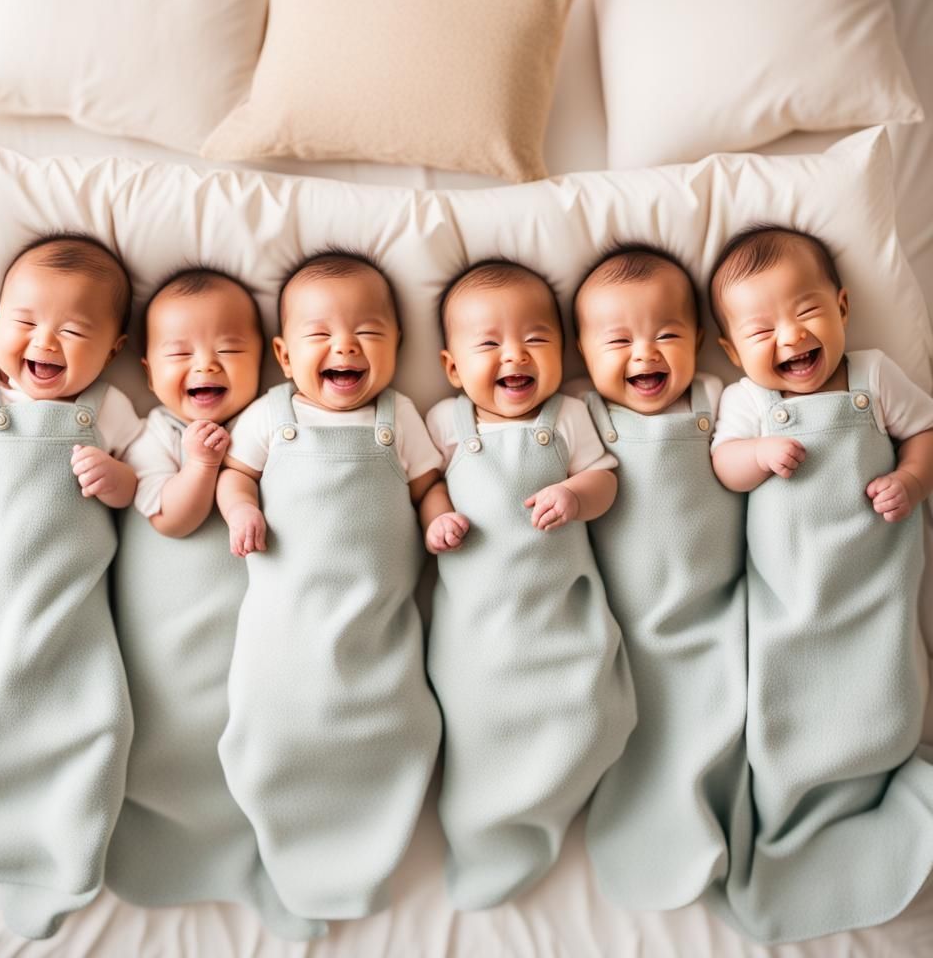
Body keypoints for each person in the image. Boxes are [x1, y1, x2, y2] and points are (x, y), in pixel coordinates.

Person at [0, 233, 139, 939]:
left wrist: (121, 482)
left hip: (70, 627)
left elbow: (150, 485)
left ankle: (71, 852)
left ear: (113, 347)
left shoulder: (110, 413)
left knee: (100, 724)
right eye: (25, 323)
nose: (45, 342)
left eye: (73, 331)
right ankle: (6, 851)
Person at [708, 224, 933, 942]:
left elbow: (926, 433)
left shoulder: (872, 376)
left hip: (869, 590)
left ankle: (875, 779)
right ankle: (797, 816)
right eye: (761, 328)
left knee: (888, 694)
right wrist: (757, 454)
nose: (789, 338)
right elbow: (723, 467)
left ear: (841, 307)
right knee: (782, 712)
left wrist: (909, 478)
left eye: (805, 312)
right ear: (732, 351)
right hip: (791, 603)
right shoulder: (745, 403)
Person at [215, 250, 443, 919]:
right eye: (320, 335)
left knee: (392, 727)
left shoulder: (398, 417)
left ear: (397, 347)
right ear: (284, 355)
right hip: (284, 631)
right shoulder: (267, 415)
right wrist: (242, 510)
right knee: (274, 729)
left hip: (374, 628)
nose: (344, 346)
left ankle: (360, 848)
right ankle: (290, 842)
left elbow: (427, 483)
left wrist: (440, 519)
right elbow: (235, 473)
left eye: (368, 333)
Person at [105, 269, 323, 940]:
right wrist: (199, 467)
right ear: (147, 368)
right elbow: (169, 517)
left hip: (260, 634)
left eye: (230, 349)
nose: (206, 365)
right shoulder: (156, 435)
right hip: (171, 637)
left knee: (266, 749)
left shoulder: (274, 425)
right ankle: (170, 852)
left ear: (265, 359)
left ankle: (270, 865)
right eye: (180, 353)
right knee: (176, 742)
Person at [423, 258, 635, 909]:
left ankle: (559, 794)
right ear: (454, 367)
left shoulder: (568, 416)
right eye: (489, 344)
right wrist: (438, 520)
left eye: (536, 340)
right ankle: (486, 833)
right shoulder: (445, 425)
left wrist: (575, 495)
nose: (515, 355)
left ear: (564, 351)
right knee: (477, 728)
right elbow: (424, 486)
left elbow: (606, 480)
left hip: (557, 617)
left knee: (584, 711)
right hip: (476, 634)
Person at [570, 244, 747, 911]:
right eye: (617, 340)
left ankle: (723, 817)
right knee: (640, 726)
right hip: (626, 620)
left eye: (667, 334)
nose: (645, 353)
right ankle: (651, 831)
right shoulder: (583, 416)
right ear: (582, 354)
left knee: (722, 714)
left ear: (701, 341)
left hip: (714, 605)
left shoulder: (718, 398)